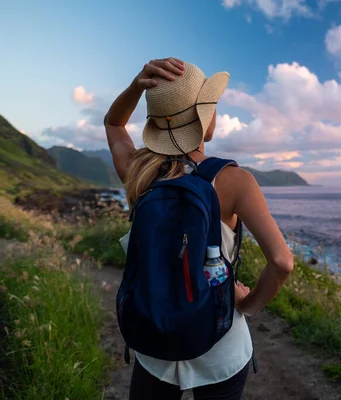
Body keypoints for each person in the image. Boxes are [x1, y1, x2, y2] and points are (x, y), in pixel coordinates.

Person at [104, 57, 294, 399]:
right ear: (204, 118)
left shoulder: (138, 171)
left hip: (153, 335)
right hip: (219, 341)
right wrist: (246, 305)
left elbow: (114, 124)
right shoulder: (236, 182)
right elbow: (282, 262)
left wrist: (137, 86)